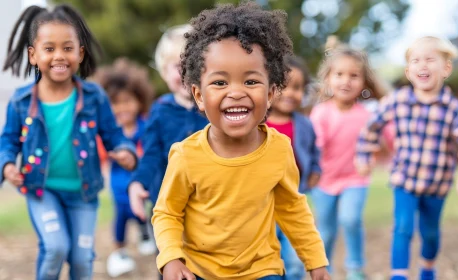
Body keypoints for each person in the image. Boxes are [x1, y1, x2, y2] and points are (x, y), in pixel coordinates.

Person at [152, 2, 330, 280]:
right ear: (199, 95)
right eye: (220, 83)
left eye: (250, 82)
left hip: (262, 270)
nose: (235, 93)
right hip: (200, 270)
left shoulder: (279, 148)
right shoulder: (186, 155)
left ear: (271, 93)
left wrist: (316, 262)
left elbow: (293, 208)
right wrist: (172, 258)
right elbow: (167, 213)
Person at [0, 5, 137, 279]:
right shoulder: (20, 101)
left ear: (80, 53)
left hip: (83, 194)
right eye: (49, 49)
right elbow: (8, 142)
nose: (59, 56)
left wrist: (125, 151)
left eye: (67, 48)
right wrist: (6, 166)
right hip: (41, 191)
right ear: (33, 55)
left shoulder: (94, 97)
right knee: (55, 248)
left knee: (82, 260)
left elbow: (114, 136)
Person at [356, 36, 458, 280]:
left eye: (430, 59)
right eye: (416, 61)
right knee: (402, 227)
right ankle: (399, 275)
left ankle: (427, 268)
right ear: (408, 71)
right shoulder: (398, 100)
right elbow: (371, 126)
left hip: (437, 184)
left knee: (430, 233)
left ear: (446, 68)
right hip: (405, 181)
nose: (422, 65)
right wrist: (364, 154)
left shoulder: (452, 108)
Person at [310, 46, 389, 280]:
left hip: (355, 178)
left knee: (351, 219)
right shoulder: (320, 113)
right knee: (326, 230)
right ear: (328, 79)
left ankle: (355, 267)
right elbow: (314, 146)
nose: (346, 81)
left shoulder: (366, 115)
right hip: (323, 181)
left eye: (353, 75)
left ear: (364, 82)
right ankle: (324, 269)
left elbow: (378, 145)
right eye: (339, 74)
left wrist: (371, 159)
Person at [128, 24, 208, 221]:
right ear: (164, 71)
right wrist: (138, 183)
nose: (187, 74)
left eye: (194, 66)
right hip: (170, 205)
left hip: (209, 204)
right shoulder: (160, 111)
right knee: (172, 251)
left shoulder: (215, 109)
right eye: (179, 67)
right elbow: (151, 154)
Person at [92, 58, 156, 277]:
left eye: (128, 101)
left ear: (139, 100)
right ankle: (119, 251)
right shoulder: (109, 131)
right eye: (115, 103)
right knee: (121, 215)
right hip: (119, 184)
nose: (122, 108)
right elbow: (100, 153)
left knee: (141, 210)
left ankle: (145, 231)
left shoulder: (146, 126)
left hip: (142, 180)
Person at [266, 55, 321, 280]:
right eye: (284, 86)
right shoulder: (259, 122)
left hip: (293, 193)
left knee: (295, 257)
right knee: (268, 254)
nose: (290, 93)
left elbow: (313, 151)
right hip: (263, 198)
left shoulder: (304, 124)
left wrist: (316, 170)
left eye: (297, 88)